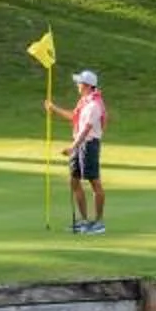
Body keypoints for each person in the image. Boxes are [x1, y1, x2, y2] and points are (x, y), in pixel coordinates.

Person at [44, 67, 107, 234]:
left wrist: (73, 147)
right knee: (74, 180)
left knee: (94, 182)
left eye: (79, 83)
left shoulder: (94, 105)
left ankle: (99, 222)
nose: (77, 85)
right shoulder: (84, 102)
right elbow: (75, 117)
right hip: (79, 143)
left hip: (89, 145)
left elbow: (86, 129)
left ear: (86, 85)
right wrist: (54, 109)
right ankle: (84, 221)